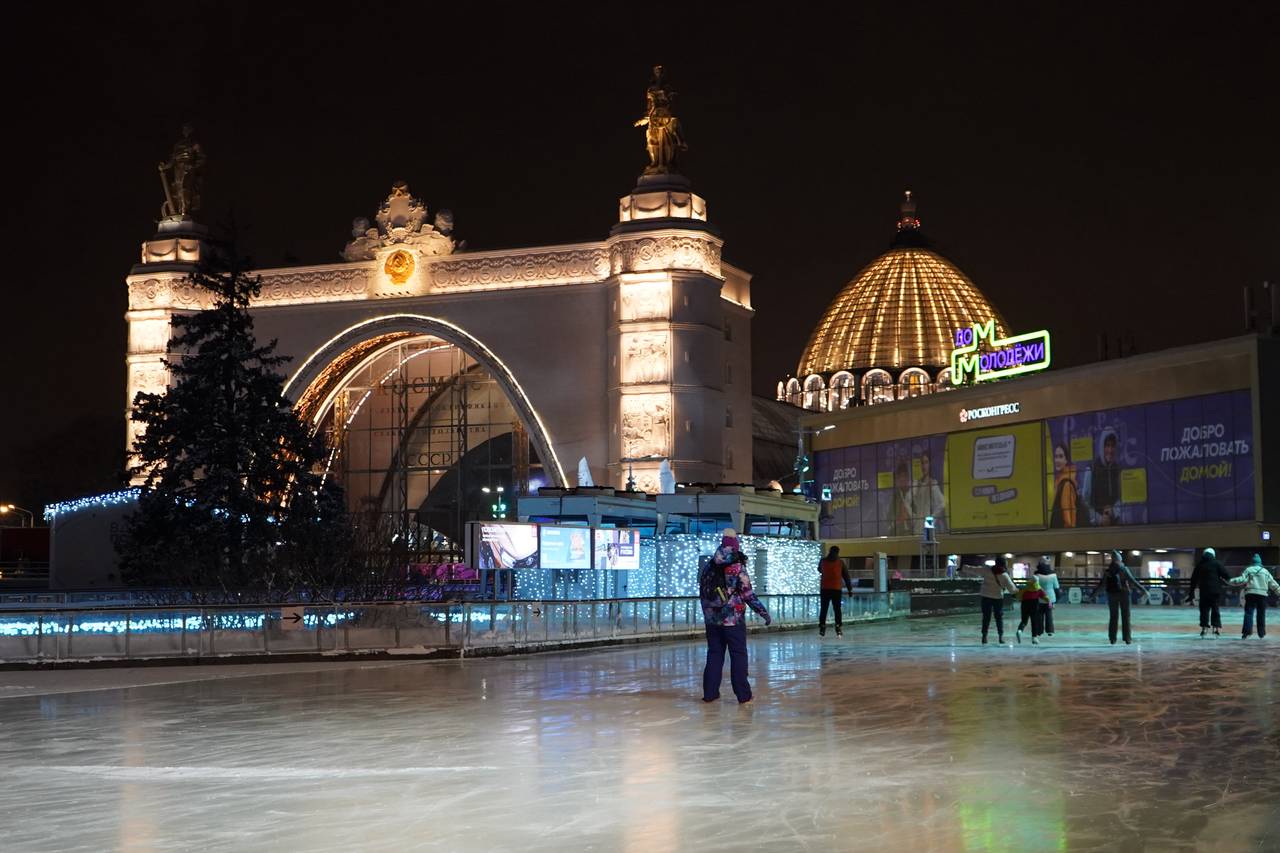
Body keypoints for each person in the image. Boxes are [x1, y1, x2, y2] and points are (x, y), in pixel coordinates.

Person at [699, 529, 771, 704]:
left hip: (712, 620)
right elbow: (748, 594)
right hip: (733, 619)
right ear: (735, 546)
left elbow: (702, 591)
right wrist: (763, 612)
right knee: (738, 655)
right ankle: (743, 695)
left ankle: (710, 693)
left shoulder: (709, 566)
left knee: (714, 654)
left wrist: (708, 613)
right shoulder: (737, 567)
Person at [1091, 550, 1149, 644]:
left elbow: (1102, 585)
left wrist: (1093, 595)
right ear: (1120, 559)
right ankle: (1127, 638)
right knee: (1126, 616)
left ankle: (1112, 638)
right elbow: (1132, 581)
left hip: (1112, 594)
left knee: (1113, 616)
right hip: (1124, 594)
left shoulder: (1108, 571)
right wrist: (1144, 590)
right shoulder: (1124, 569)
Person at [960, 557, 1018, 644]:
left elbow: (974, 570)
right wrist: (1018, 591)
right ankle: (1000, 637)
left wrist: (964, 567)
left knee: (986, 617)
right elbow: (1012, 589)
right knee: (999, 618)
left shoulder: (987, 570)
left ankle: (984, 636)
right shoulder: (1004, 575)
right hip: (998, 598)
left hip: (986, 596)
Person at [1227, 554, 1280, 639]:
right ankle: (1261, 633)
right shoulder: (1265, 571)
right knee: (1261, 614)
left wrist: (1230, 581)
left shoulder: (1249, 569)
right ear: (1260, 562)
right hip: (1262, 595)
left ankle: (1246, 633)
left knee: (1249, 613)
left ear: (1252, 562)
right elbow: (1273, 584)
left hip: (1250, 594)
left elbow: (1242, 580)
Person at [1187, 547, 1231, 637]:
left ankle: (1204, 628)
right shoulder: (1217, 563)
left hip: (1204, 591)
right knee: (1215, 609)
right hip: (1215, 591)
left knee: (1204, 610)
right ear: (1213, 555)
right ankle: (1216, 628)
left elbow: (1193, 580)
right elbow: (1226, 575)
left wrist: (1191, 593)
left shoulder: (1200, 565)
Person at [1082, 431, 1122, 526]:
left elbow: (1122, 499)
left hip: (1115, 526)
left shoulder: (1118, 470)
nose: (1110, 450)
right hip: (1096, 529)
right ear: (1101, 447)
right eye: (1107, 446)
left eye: (1113, 446)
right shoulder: (1091, 469)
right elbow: (1084, 503)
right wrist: (1099, 519)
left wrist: (1114, 511)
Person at [817, 545, 854, 638]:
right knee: (837, 609)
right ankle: (838, 627)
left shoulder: (823, 561)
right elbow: (846, 577)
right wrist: (850, 590)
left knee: (824, 608)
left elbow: (819, 569)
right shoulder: (840, 562)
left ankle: (822, 626)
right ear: (838, 552)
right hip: (836, 589)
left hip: (825, 589)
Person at [912, 450, 947, 532]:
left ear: (930, 464)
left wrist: (930, 521)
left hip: (927, 527)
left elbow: (942, 504)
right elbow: (913, 504)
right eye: (922, 463)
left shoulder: (933, 484)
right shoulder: (917, 484)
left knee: (927, 544)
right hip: (917, 527)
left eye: (926, 462)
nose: (924, 466)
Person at [1048, 443, 1079, 528]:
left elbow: (1069, 520)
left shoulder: (1066, 484)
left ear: (1066, 460)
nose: (1057, 460)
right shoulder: (1060, 480)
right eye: (1056, 456)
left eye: (1061, 456)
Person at [1015, 571, 1047, 645]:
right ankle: (1034, 638)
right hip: (1034, 604)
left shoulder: (1025, 588)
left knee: (1024, 620)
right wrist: (1049, 602)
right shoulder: (1038, 589)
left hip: (1024, 604)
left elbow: (1018, 596)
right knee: (1034, 621)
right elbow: (1045, 597)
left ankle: (1020, 630)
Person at [1034, 557, 1060, 637]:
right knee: (1049, 614)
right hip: (1050, 599)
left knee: (1039, 615)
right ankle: (1050, 631)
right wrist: (1057, 598)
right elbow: (1056, 587)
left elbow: (1035, 587)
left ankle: (1039, 631)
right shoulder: (1053, 575)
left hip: (1039, 598)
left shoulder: (1037, 575)